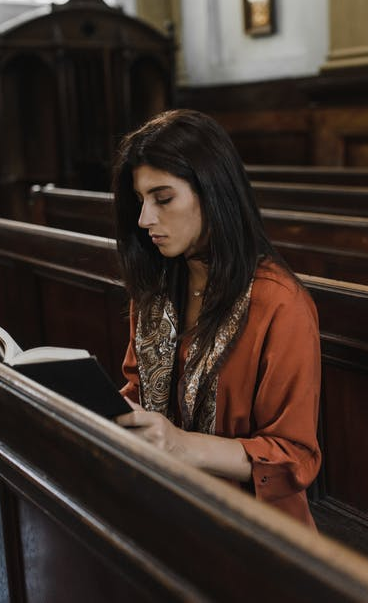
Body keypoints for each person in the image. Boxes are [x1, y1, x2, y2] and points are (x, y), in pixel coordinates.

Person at [112, 109, 321, 528]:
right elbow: (139, 389)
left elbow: (293, 456)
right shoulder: (155, 291)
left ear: (212, 191)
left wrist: (182, 445)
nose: (144, 220)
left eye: (163, 198)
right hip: (166, 501)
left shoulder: (280, 305)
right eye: (140, 201)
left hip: (254, 526)